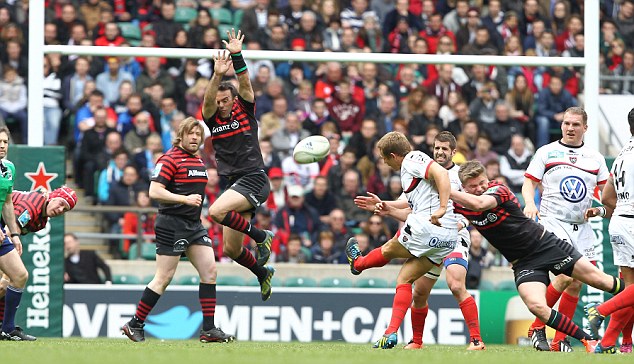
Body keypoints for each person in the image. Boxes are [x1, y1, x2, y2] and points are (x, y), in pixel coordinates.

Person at [449, 160, 634, 352]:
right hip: (523, 263)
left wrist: (447, 189)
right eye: (474, 186)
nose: (480, 188)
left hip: (546, 245)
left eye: (482, 182)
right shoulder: (461, 204)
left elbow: (480, 204)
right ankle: (589, 340)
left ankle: (621, 331)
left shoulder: (497, 189)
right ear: (464, 188)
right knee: (537, 306)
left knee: (603, 282)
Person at [352, 131, 484, 350]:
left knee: (454, 283)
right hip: (439, 238)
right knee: (416, 289)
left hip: (453, 233)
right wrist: (386, 207)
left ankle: (358, 264)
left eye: (445, 149)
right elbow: (409, 208)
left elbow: (472, 204)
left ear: (454, 152)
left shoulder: (426, 163)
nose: (440, 152)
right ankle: (410, 339)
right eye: (437, 147)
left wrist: (446, 211)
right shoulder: (418, 175)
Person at [121, 118, 235, 344]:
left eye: (198, 134)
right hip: (171, 224)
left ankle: (209, 329)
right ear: (180, 135)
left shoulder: (198, 160)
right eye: (190, 133)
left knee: (210, 271)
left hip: (193, 225)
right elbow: (154, 191)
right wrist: (184, 199)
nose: (194, 137)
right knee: (163, 277)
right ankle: (135, 323)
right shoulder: (169, 158)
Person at [522, 107, 609, 352]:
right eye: (566, 124)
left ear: (585, 128)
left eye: (575, 125)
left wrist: (600, 210)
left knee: (575, 283)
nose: (570, 128)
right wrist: (530, 203)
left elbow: (608, 197)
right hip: (552, 222)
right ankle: (538, 327)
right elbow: (529, 182)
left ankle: (560, 340)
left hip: (582, 227)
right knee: (566, 275)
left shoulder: (596, 158)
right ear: (561, 125)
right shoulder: (547, 152)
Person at [201, 28, 275, 302]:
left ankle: (261, 236)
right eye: (217, 101)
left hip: (254, 178)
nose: (220, 105)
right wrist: (217, 74)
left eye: (225, 100)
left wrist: (237, 55)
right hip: (233, 183)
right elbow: (207, 100)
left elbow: (244, 82)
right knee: (232, 250)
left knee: (216, 211)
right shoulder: (212, 119)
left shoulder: (245, 109)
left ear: (233, 100)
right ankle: (262, 273)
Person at [583, 107, 634, 354]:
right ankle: (600, 310)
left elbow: (607, 197)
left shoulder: (623, 154)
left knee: (630, 288)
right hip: (633, 221)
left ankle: (608, 343)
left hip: (620, 221)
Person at [0, 127, 34, 340]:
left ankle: (8, 328)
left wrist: (14, 234)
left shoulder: (8, 168)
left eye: (5, 141)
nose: (2, 145)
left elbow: (8, 202)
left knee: (19, 276)